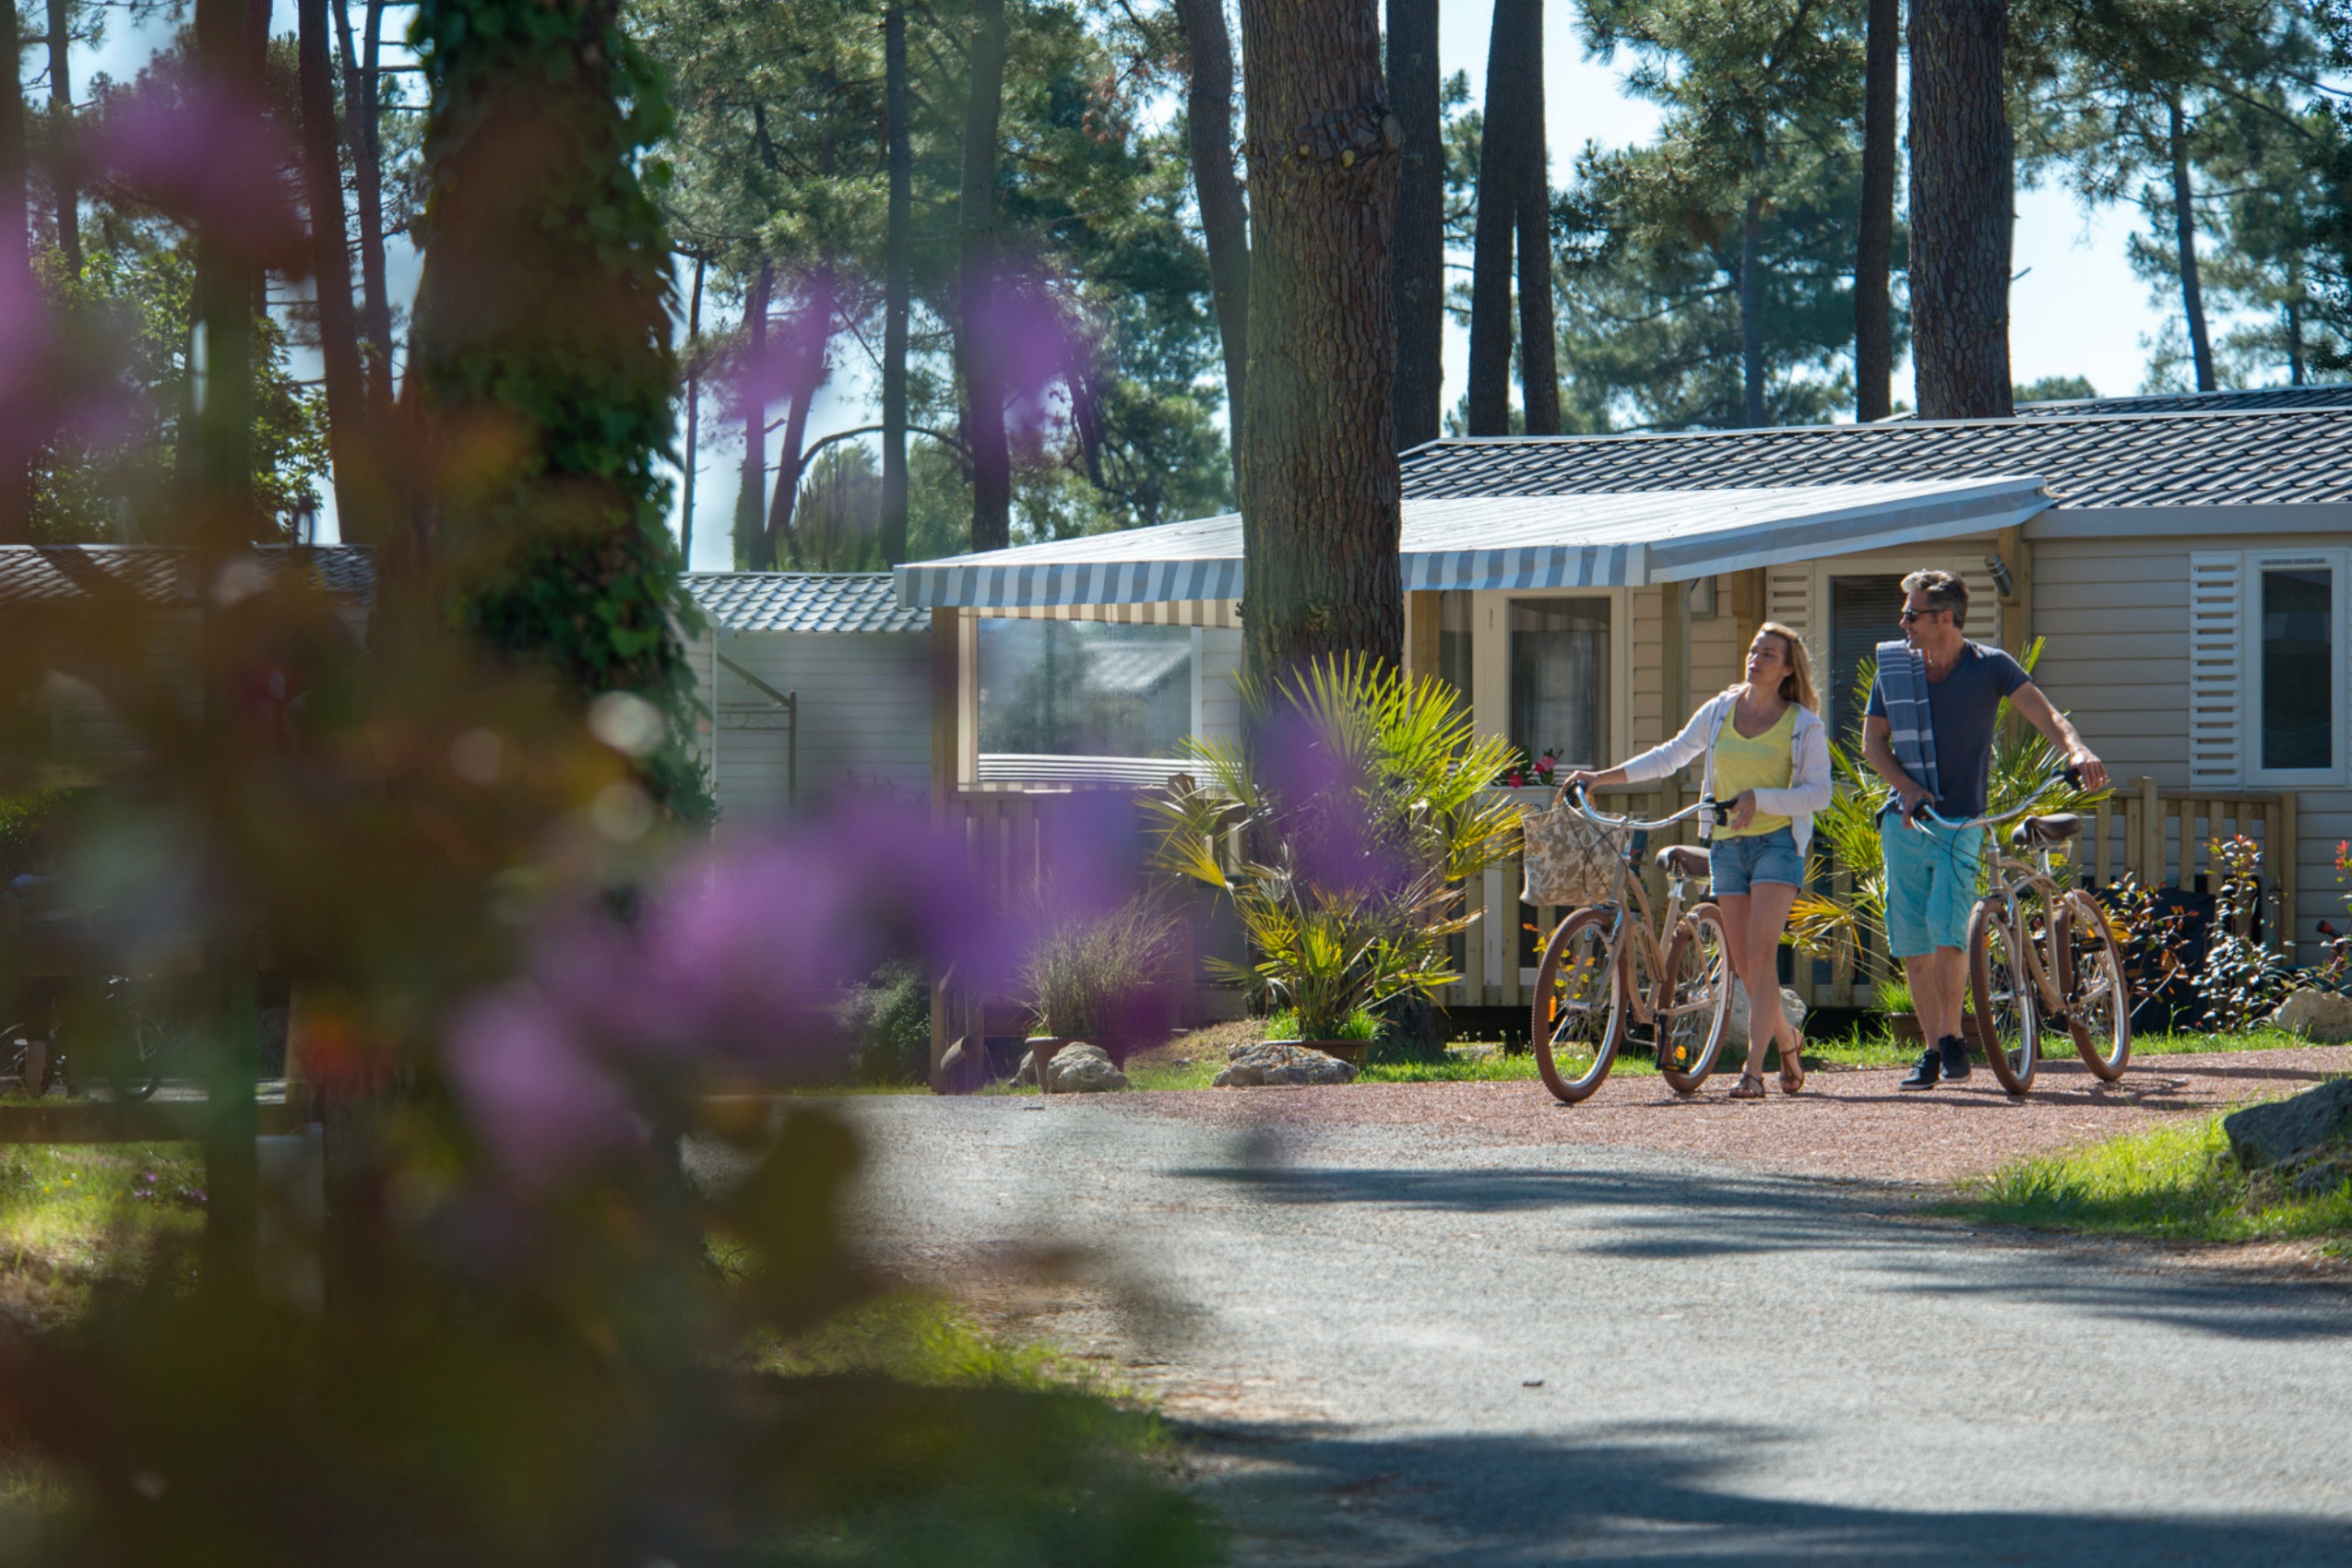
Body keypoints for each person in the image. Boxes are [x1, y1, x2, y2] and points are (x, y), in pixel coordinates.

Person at [1861, 569, 2108, 1090]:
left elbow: (2048, 719)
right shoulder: (1895, 669)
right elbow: (1874, 745)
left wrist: (2077, 750)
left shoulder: (1989, 666)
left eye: (1911, 614)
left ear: (1943, 618)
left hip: (1962, 819)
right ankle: (1934, 1048)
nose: (1902, 622)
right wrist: (1905, 787)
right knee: (1912, 938)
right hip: (1905, 818)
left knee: (1950, 929)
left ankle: (1950, 1038)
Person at [1565, 622, 1831, 1099]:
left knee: (1760, 954)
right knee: (1746, 967)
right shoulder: (1720, 711)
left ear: (1788, 668)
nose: (1756, 659)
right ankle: (1789, 1042)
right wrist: (1601, 778)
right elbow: (1670, 756)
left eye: (1769, 654)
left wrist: (1760, 797)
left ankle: (1753, 1072)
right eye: (1754, 650)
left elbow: (1818, 794)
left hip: (1776, 846)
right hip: (1727, 846)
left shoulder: (1804, 724)